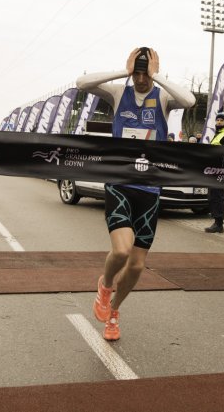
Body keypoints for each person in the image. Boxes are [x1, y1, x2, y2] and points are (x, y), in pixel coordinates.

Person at [76, 47, 195, 341]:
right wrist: (124, 71)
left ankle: (114, 311)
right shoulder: (119, 93)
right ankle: (105, 286)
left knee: (138, 264)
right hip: (119, 182)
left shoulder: (163, 97)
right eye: (137, 72)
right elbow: (82, 83)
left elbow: (190, 101)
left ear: (153, 70)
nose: (141, 78)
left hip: (150, 188)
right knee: (121, 251)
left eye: (145, 72)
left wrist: (158, 76)